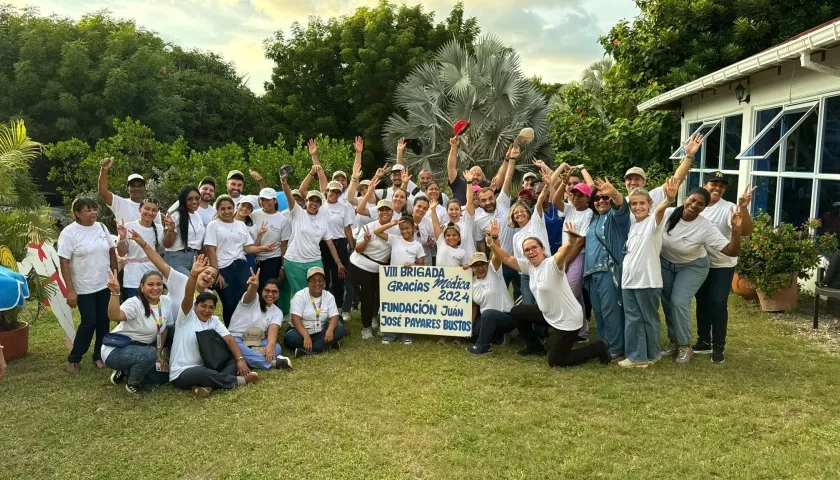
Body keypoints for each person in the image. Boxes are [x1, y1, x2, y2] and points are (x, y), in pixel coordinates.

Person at [486, 219, 611, 366]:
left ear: (542, 249)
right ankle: (535, 347)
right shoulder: (529, 266)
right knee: (517, 312)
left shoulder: (552, 264)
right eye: (527, 250)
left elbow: (561, 254)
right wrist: (491, 243)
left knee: (556, 361)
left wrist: (571, 243)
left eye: (534, 247)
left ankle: (598, 348)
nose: (531, 251)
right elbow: (507, 258)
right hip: (548, 314)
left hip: (567, 319)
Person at [660, 187, 742, 364]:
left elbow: (731, 251)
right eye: (692, 200)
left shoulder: (705, 227)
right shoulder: (668, 214)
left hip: (693, 266)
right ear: (686, 198)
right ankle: (674, 340)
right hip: (665, 264)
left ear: (704, 208)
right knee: (666, 301)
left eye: (700, 204)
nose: (694, 205)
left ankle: (684, 346)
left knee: (679, 301)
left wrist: (736, 231)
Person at [169, 255, 259, 398]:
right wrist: (193, 274)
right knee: (200, 372)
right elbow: (187, 296)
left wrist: (240, 360)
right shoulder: (186, 317)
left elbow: (229, 340)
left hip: (207, 366)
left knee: (232, 361)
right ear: (195, 306)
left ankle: (208, 387)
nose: (206, 310)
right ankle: (238, 381)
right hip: (182, 373)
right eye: (203, 306)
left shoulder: (214, 320)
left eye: (211, 308)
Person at [694, 174, 756, 363]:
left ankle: (718, 346)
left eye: (721, 186)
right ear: (705, 185)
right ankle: (704, 341)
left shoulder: (728, 208)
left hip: (722, 264)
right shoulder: (696, 205)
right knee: (702, 301)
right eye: (714, 184)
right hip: (699, 263)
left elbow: (745, 231)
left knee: (718, 302)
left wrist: (743, 208)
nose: (717, 188)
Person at [618, 183, 675, 368]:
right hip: (629, 281)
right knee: (633, 319)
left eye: (642, 203)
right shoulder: (634, 225)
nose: (637, 207)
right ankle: (641, 356)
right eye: (634, 204)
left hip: (647, 281)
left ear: (649, 204)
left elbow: (659, 212)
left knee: (648, 319)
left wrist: (668, 199)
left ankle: (649, 354)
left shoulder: (653, 222)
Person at [59, 197, 118, 373]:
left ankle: (99, 356)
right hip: (83, 286)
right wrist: (71, 290)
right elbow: (64, 261)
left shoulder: (101, 227)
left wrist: (115, 277)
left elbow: (111, 251)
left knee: (103, 320)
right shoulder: (69, 232)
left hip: (104, 284)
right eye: (88, 210)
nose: (93, 213)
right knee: (89, 322)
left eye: (94, 209)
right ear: (77, 213)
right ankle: (74, 357)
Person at [205, 195, 278, 326]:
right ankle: (230, 331)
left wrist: (262, 248)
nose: (226, 211)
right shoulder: (213, 225)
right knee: (228, 302)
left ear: (233, 209)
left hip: (241, 266)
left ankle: (244, 329)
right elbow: (210, 250)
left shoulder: (240, 225)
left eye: (229, 208)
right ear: (218, 210)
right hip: (223, 268)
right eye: (223, 209)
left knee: (245, 299)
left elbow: (247, 248)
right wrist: (216, 272)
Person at [279, 170, 345, 304]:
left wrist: (338, 263)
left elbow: (330, 244)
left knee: (318, 289)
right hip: (294, 261)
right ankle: (299, 321)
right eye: (311, 200)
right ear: (306, 201)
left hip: (314, 260)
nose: (314, 203)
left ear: (320, 205)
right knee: (300, 293)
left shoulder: (323, 220)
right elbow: (288, 195)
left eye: (317, 201)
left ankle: (316, 319)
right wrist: (284, 182)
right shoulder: (298, 212)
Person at [129, 229, 219, 325]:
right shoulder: (181, 280)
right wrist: (144, 245)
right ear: (199, 271)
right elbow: (162, 265)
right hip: (170, 326)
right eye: (206, 272)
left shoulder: (208, 294)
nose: (209, 277)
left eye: (213, 277)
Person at [583, 178, 631, 359]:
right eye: (597, 199)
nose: (601, 201)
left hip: (609, 271)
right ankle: (603, 344)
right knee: (600, 311)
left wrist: (614, 193)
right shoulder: (594, 219)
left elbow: (621, 206)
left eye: (605, 198)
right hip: (591, 273)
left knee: (611, 311)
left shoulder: (615, 217)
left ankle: (616, 347)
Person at [103, 270, 171, 394]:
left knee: (162, 378)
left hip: (141, 349)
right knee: (149, 355)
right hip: (116, 350)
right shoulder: (134, 303)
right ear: (142, 286)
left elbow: (164, 329)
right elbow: (114, 316)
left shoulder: (166, 301)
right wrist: (115, 293)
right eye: (150, 284)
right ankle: (132, 384)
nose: (155, 288)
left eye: (159, 284)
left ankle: (125, 370)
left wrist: (159, 354)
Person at [552, 173, 593, 339]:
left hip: (577, 257)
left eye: (580, 195)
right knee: (577, 297)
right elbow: (555, 200)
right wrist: (563, 183)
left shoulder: (588, 213)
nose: (575, 197)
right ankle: (581, 332)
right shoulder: (569, 209)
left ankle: (568, 331)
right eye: (574, 194)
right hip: (565, 255)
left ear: (587, 198)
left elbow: (580, 241)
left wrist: (566, 261)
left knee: (569, 294)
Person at [374, 214, 425, 345]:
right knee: (392, 306)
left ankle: (407, 334)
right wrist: (392, 223)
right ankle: (389, 334)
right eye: (402, 229)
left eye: (407, 228)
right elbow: (377, 231)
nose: (404, 231)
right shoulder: (395, 239)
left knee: (408, 307)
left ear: (413, 228)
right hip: (393, 281)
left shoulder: (418, 246)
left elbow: (422, 266)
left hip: (409, 283)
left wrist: (413, 266)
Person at [349, 199, 397, 339]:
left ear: (392, 212)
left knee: (381, 298)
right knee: (367, 297)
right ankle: (366, 327)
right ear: (378, 212)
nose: (384, 212)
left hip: (380, 268)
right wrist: (366, 241)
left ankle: (378, 320)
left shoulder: (396, 228)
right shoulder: (369, 226)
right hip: (360, 266)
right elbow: (357, 249)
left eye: (387, 210)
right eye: (381, 210)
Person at [227, 268, 292, 370]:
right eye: (267, 290)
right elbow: (250, 294)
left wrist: (270, 345)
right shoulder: (253, 299)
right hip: (237, 338)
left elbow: (273, 329)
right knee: (235, 346)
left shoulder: (277, 311)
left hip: (256, 341)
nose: (270, 294)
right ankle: (273, 363)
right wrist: (254, 286)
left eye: (274, 291)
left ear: (280, 293)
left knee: (276, 348)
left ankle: (246, 358)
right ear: (262, 290)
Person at [624, 133, 702, 207]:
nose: (633, 183)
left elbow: (676, 179)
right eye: (629, 179)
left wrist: (689, 155)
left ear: (644, 182)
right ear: (625, 182)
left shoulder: (653, 196)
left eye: (637, 179)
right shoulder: (621, 203)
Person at [285, 267, 347, 357]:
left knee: (340, 330)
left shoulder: (329, 296)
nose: (317, 283)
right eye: (313, 280)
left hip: (320, 332)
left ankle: (306, 351)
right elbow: (295, 319)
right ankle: (327, 346)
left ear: (324, 282)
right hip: (300, 332)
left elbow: (335, 317)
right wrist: (306, 336)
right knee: (290, 338)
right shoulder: (300, 296)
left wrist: (330, 330)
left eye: (320, 280)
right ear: (308, 282)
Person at [510, 175, 551, 305]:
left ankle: (541, 326)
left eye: (522, 211)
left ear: (528, 213)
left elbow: (539, 202)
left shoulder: (536, 221)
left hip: (544, 269)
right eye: (516, 213)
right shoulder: (516, 237)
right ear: (513, 217)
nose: (519, 214)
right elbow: (519, 261)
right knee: (528, 304)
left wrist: (547, 186)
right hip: (527, 275)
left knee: (542, 305)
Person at [466, 251, 515, 355]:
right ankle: (499, 337)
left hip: (506, 316)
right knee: (474, 334)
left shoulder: (494, 272)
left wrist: (493, 239)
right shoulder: (472, 282)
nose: (480, 268)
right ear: (471, 268)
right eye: (475, 265)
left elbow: (497, 255)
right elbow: (474, 305)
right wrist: (470, 325)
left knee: (488, 314)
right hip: (486, 319)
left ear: (487, 264)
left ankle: (482, 348)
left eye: (482, 264)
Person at [321, 180, 355, 318]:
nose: (334, 194)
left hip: (340, 243)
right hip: (322, 245)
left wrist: (352, 247)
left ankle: (339, 308)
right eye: (332, 191)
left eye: (337, 192)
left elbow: (347, 229)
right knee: (323, 278)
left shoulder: (344, 207)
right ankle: (323, 309)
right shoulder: (320, 207)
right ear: (326, 191)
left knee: (339, 277)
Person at [117, 198, 163, 298]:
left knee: (153, 306)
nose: (150, 212)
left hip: (153, 275)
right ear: (140, 209)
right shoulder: (128, 226)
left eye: (154, 210)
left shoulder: (160, 229)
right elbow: (121, 253)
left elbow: (161, 253)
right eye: (147, 209)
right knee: (134, 306)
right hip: (133, 276)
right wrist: (122, 237)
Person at [97, 157, 160, 225]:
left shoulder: (152, 208)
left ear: (145, 188)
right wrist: (103, 170)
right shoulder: (120, 203)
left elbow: (159, 231)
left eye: (140, 186)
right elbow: (103, 192)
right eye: (133, 186)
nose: (136, 188)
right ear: (127, 189)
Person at [250, 188, 289, 291]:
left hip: (273, 258)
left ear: (275, 200)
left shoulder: (282, 219)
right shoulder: (254, 215)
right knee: (254, 289)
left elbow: (284, 245)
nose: (265, 202)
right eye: (262, 199)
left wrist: (282, 266)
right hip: (254, 257)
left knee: (267, 288)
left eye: (268, 200)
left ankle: (268, 307)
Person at [163, 186, 206, 276]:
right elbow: (167, 244)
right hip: (177, 257)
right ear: (183, 200)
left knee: (192, 288)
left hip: (194, 257)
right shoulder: (176, 215)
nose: (194, 201)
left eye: (197, 198)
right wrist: (171, 231)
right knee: (191, 284)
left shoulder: (198, 216)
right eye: (190, 199)